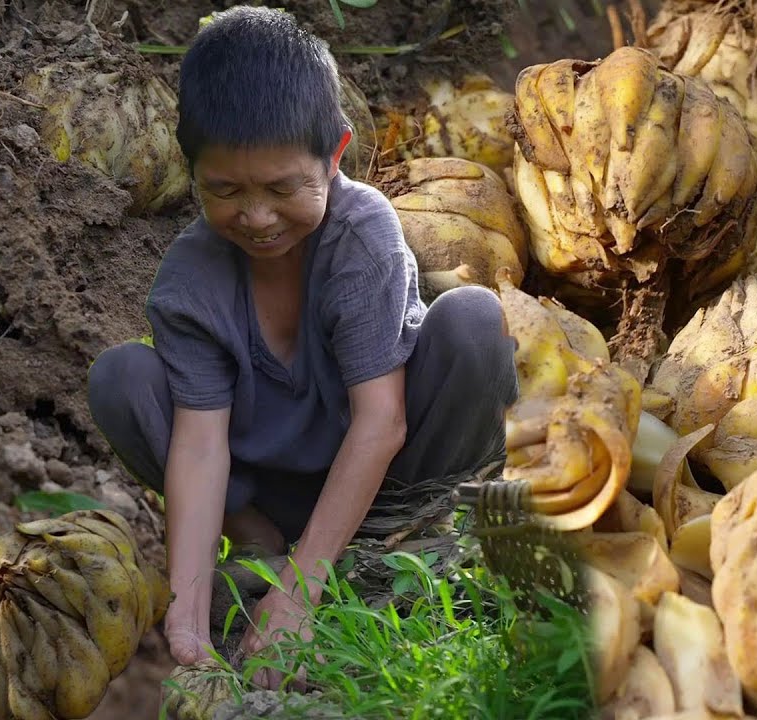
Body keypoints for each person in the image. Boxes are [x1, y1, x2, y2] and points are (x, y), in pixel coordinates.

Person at [85, 6, 517, 689]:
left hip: (390, 472)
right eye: (224, 190)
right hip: (275, 494)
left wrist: (300, 587)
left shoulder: (361, 235)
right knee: (122, 378)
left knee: (474, 322)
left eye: (283, 189)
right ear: (190, 166)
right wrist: (187, 609)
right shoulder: (189, 282)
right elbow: (200, 446)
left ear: (337, 153)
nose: (256, 217)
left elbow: (382, 420)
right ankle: (262, 543)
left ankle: (405, 534)